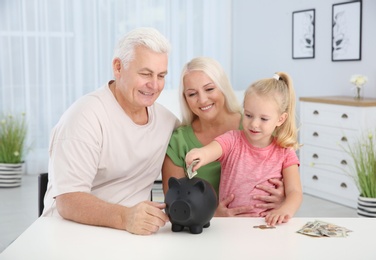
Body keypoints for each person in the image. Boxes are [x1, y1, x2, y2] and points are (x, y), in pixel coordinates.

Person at [42, 27, 180, 235]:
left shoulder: (167, 122)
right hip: (69, 233)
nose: (154, 85)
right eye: (145, 73)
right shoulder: (85, 117)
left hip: (128, 236)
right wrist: (125, 217)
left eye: (161, 75)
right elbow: (68, 200)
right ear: (118, 67)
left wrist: (215, 209)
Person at [162, 57, 285, 217]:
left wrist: (283, 197)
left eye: (209, 89)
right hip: (205, 230)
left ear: (223, 88)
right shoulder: (180, 141)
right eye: (192, 94)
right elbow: (173, 203)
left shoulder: (256, 127)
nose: (203, 99)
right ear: (185, 99)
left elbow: (288, 178)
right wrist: (213, 215)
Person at [185, 72, 302, 226]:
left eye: (263, 119)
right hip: (231, 225)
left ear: (280, 119)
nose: (254, 124)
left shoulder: (285, 151)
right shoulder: (233, 139)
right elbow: (212, 150)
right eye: (248, 115)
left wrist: (285, 210)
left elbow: (295, 192)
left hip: (268, 225)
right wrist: (200, 154)